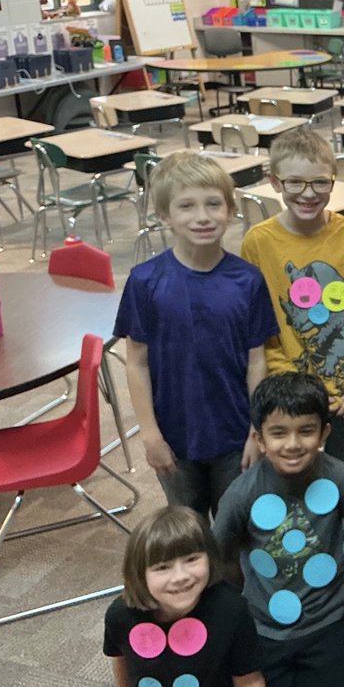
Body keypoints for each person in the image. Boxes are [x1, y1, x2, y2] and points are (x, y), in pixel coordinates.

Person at [116, 151, 278, 518]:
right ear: (164, 215)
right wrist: (149, 434)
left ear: (230, 210)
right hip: (174, 435)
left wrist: (257, 429)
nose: (202, 217)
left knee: (235, 527)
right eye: (186, 206)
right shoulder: (144, 281)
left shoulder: (248, 281)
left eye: (213, 204)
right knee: (188, 527)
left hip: (235, 434)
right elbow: (137, 363)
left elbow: (257, 361)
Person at [212, 372, 344, 687]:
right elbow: (223, 555)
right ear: (259, 439)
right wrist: (251, 594)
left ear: (324, 432)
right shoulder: (241, 492)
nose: (292, 444)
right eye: (278, 433)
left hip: (327, 623)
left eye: (306, 431)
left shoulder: (343, 479)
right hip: (263, 626)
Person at [240, 127, 344, 475]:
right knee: (289, 477)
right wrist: (286, 387)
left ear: (333, 180)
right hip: (286, 393)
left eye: (320, 182)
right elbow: (256, 330)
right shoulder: (257, 243)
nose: (308, 194)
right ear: (275, 181)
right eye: (295, 183)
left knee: (340, 475)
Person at [104, 505, 265, 687]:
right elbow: (121, 665)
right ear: (139, 573)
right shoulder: (120, 615)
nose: (180, 576)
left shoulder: (232, 610)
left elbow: (248, 681)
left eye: (191, 559)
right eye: (163, 567)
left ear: (210, 557)